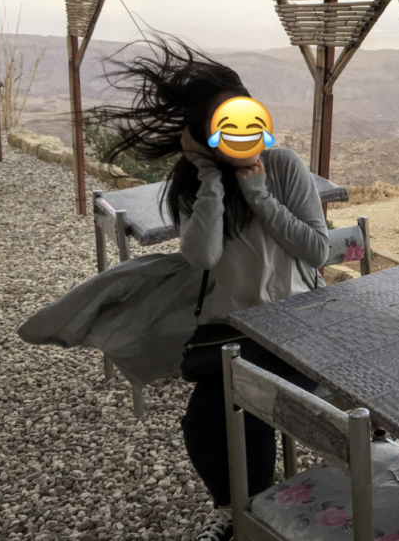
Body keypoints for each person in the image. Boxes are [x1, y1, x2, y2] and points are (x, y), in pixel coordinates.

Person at [25, 36, 329, 541]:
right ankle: (237, 511)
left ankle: (251, 516)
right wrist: (210, 179)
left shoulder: (283, 165)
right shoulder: (193, 183)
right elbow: (202, 256)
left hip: (298, 321)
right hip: (232, 329)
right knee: (205, 421)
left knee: (247, 408)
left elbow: (317, 251)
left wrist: (258, 194)